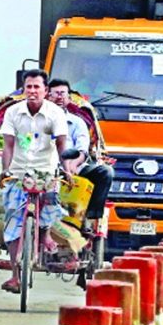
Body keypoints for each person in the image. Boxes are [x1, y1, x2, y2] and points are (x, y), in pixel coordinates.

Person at [0, 69, 70, 293]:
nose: (32, 91)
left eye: (37, 87)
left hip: (46, 172)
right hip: (19, 172)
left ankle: (44, 236)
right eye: (28, 87)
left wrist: (65, 169)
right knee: (11, 223)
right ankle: (15, 275)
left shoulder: (55, 113)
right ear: (23, 90)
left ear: (45, 91)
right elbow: (8, 144)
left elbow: (61, 143)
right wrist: (5, 170)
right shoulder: (13, 112)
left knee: (50, 209)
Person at [47, 79, 114, 232]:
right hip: (45, 167)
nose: (59, 97)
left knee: (105, 172)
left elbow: (82, 150)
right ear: (47, 97)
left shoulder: (77, 122)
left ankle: (90, 218)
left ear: (68, 98)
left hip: (73, 165)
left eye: (63, 93)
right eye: (55, 94)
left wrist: (72, 166)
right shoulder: (39, 120)